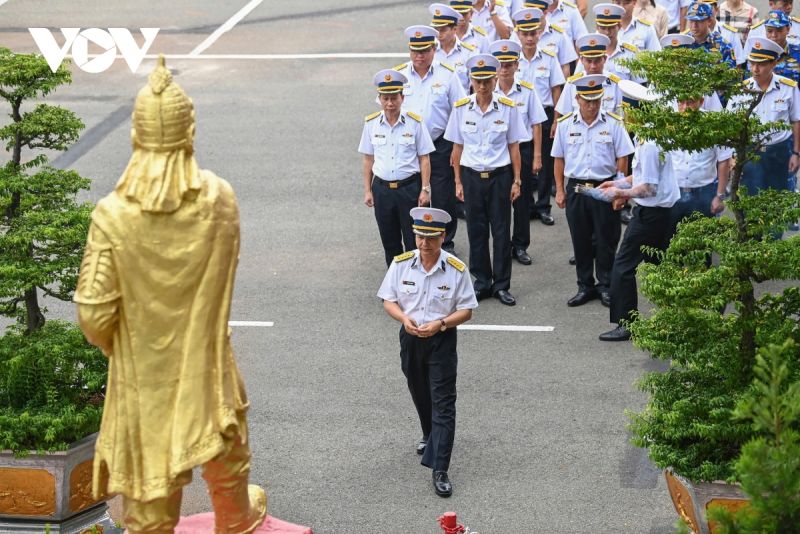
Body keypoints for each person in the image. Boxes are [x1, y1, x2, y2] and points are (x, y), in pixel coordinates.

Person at [74, 57, 266, 533]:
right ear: (190, 129)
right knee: (226, 447)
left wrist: (129, 345)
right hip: (207, 365)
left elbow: (93, 314)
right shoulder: (220, 198)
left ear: (136, 133)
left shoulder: (112, 215)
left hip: (144, 379)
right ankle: (236, 519)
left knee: (150, 498)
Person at [377, 206, 478, 498]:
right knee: (420, 392)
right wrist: (403, 319)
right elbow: (388, 300)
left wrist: (442, 323)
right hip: (410, 338)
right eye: (420, 237)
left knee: (444, 402)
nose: (425, 244)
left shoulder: (456, 269)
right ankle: (429, 434)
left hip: (441, 339)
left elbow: (467, 310)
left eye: (431, 238)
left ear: (443, 237)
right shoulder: (401, 264)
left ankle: (440, 468)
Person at [596, 80, 680, 341]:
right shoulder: (650, 136)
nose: (623, 117)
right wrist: (620, 182)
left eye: (626, 112)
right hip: (661, 214)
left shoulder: (650, 142)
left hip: (651, 215)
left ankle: (626, 323)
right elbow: (641, 176)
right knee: (660, 266)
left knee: (622, 267)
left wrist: (619, 193)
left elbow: (649, 188)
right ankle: (672, 320)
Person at [445, 54, 528, 305]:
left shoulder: (507, 108)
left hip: (499, 177)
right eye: (477, 81)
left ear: (495, 80)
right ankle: (481, 282)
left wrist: (517, 181)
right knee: (476, 231)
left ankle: (501, 285)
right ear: (471, 80)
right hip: (471, 177)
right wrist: (458, 182)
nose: (482, 86)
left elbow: (514, 147)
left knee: (501, 231)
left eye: (486, 81)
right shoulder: (461, 109)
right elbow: (457, 149)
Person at [551, 73, 635, 307]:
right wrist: (559, 190)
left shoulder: (614, 122)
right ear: (577, 99)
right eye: (588, 101)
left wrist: (620, 192)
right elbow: (558, 159)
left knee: (607, 239)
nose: (592, 105)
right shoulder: (566, 124)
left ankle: (605, 285)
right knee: (581, 239)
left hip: (605, 187)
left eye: (597, 100)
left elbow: (623, 158)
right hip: (577, 189)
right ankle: (584, 285)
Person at [394, 25, 468, 253]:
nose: (420, 56)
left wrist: (457, 146)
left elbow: (460, 109)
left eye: (424, 50)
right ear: (409, 51)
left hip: (439, 145)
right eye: (415, 51)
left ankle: (446, 242)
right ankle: (417, 242)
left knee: (443, 197)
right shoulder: (399, 76)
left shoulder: (447, 74)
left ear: (434, 49)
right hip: (409, 146)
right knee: (411, 196)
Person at [359, 69, 435, 266]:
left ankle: (415, 285)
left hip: (409, 188)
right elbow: (368, 159)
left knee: (413, 241)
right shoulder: (371, 124)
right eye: (386, 98)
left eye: (394, 98)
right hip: (382, 190)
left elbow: (424, 158)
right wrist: (367, 190)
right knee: (390, 241)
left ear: (402, 97)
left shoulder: (415, 123)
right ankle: (395, 287)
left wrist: (425, 189)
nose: (390, 103)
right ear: (380, 99)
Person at [491, 39, 548, 264]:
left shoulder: (527, 91)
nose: (504, 69)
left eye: (509, 64)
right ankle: (503, 245)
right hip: (498, 152)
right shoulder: (487, 90)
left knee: (522, 202)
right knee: (500, 203)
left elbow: (536, 124)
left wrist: (536, 155)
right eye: (501, 65)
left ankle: (521, 245)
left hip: (522, 151)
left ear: (517, 65)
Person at [513, 7, 566, 225]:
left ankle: (543, 206)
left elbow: (556, 90)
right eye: (525, 34)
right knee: (521, 164)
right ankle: (524, 206)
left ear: (539, 33)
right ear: (518, 34)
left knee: (543, 162)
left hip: (543, 116)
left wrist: (556, 119)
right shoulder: (512, 59)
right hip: (518, 116)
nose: (529, 38)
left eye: (533, 33)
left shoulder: (549, 58)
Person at [728, 37, 800, 197]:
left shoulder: (788, 88)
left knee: (781, 201)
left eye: (760, 64)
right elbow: (731, 126)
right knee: (750, 202)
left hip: (779, 152)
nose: (755, 69)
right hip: (750, 152)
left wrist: (796, 153)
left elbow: (796, 121)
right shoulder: (741, 90)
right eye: (752, 63)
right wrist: (733, 156)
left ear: (773, 64)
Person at [667, 97, 733, 236]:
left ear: (701, 101)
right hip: (673, 193)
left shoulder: (714, 125)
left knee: (701, 245)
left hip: (703, 193)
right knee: (669, 241)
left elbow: (724, 161)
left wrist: (719, 196)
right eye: (681, 101)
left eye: (690, 102)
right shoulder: (668, 122)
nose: (685, 107)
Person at [555, 33, 625, 118]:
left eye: (597, 61)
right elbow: (565, 116)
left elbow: (620, 118)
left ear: (605, 59)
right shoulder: (572, 83)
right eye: (589, 61)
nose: (593, 66)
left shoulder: (615, 84)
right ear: (581, 60)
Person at [576, 3, 643, 82]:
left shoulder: (631, 53)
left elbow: (639, 84)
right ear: (597, 27)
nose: (607, 32)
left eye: (611, 27)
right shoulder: (588, 51)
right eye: (603, 28)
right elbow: (578, 80)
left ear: (619, 26)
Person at [432, 3, 478, 91]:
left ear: (454, 30)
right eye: (436, 30)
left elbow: (475, 85)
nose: (439, 34)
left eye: (443, 30)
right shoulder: (430, 52)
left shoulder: (469, 52)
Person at [685, 2, 738, 69]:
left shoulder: (723, 45)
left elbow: (731, 75)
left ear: (709, 21)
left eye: (699, 21)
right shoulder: (683, 43)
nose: (694, 26)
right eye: (691, 21)